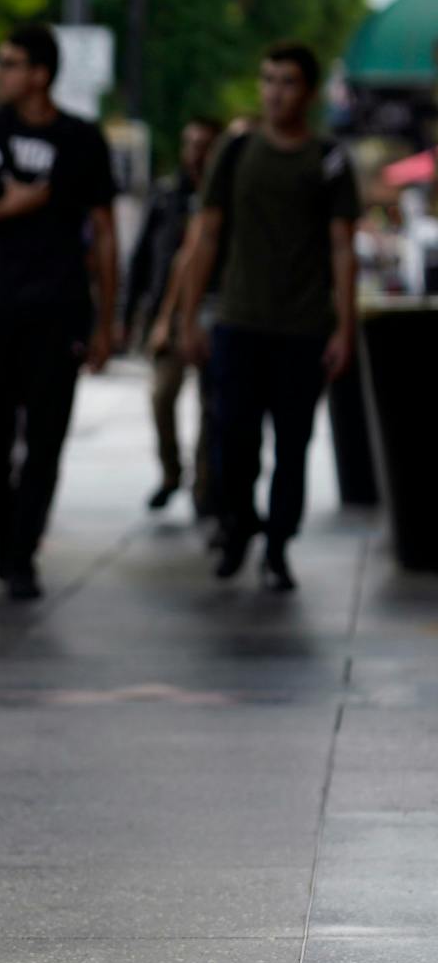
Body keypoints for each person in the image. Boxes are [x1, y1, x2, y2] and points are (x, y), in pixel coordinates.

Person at [0, 23, 119, 601]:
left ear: (40, 74)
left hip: (56, 309)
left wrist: (107, 319)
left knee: (46, 437)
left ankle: (21, 552)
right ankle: (6, 515)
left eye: (10, 63)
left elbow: (106, 233)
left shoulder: (82, 141)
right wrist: (6, 207)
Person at [178, 42, 359, 592]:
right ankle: (237, 527)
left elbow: (343, 250)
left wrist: (344, 329)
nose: (274, 92)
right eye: (267, 80)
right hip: (238, 320)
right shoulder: (235, 153)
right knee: (233, 438)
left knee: (293, 444)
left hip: (302, 327)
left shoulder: (327, 160)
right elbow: (205, 235)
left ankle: (278, 543)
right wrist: (188, 318)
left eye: (286, 82)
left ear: (307, 92)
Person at [135, 116, 225, 513]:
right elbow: (152, 258)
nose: (196, 154)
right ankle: (172, 472)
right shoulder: (168, 195)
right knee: (162, 395)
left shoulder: (226, 196)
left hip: (216, 308)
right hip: (172, 311)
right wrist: (141, 316)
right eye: (190, 144)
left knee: (213, 404)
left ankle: (205, 487)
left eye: (205, 145)